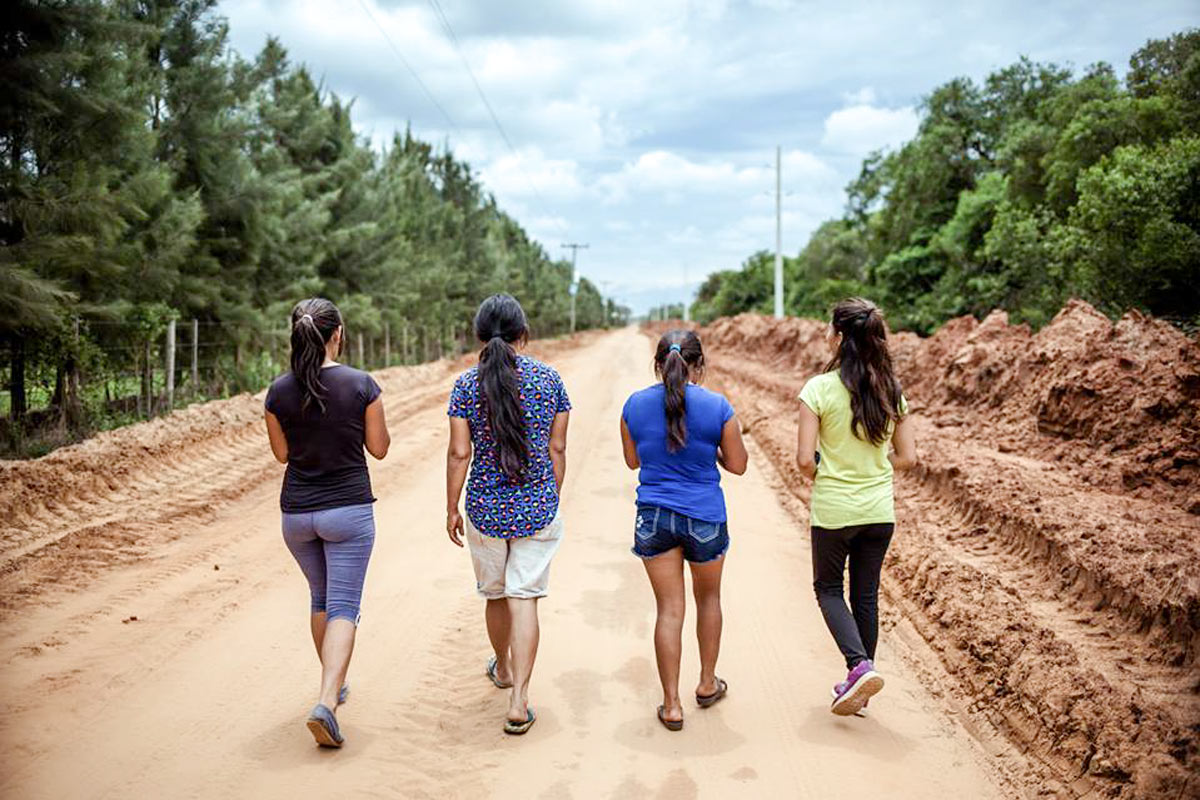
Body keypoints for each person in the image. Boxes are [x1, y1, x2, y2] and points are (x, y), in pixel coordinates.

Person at [264, 298, 391, 748]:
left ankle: (331, 686)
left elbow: (282, 455)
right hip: (347, 510)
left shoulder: (277, 392)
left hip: (296, 512)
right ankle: (326, 701)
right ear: (337, 334)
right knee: (343, 605)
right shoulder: (361, 385)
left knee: (320, 598)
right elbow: (379, 449)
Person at [445, 294, 570, 736]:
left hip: (483, 508)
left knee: (495, 594)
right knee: (525, 596)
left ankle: (502, 668)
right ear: (525, 334)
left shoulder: (464, 386)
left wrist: (451, 506)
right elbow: (557, 447)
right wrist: (549, 495)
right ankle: (519, 700)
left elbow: (461, 452)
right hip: (537, 506)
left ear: (479, 337)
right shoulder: (550, 379)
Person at [620, 329, 748, 731]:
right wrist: (712, 452)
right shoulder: (718, 407)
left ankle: (672, 705)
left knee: (669, 610)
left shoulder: (634, 406)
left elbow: (632, 461)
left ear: (658, 365)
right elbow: (739, 465)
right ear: (700, 366)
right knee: (708, 600)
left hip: (654, 516)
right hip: (705, 516)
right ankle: (707, 684)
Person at [796, 297, 917, 717]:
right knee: (865, 595)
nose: (826, 336)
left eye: (829, 329)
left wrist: (828, 474)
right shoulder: (891, 391)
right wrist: (874, 466)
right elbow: (907, 457)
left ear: (841, 337)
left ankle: (858, 666)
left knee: (828, 589)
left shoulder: (818, 389)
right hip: (879, 511)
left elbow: (802, 460)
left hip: (834, 511)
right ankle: (860, 689)